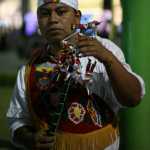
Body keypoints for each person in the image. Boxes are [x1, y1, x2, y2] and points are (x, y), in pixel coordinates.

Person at [7, 0, 145, 150]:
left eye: (61, 12)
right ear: (38, 21)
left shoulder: (104, 50)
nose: (53, 19)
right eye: (45, 14)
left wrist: (108, 58)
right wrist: (31, 139)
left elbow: (133, 98)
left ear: (77, 17)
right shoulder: (30, 69)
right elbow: (17, 122)